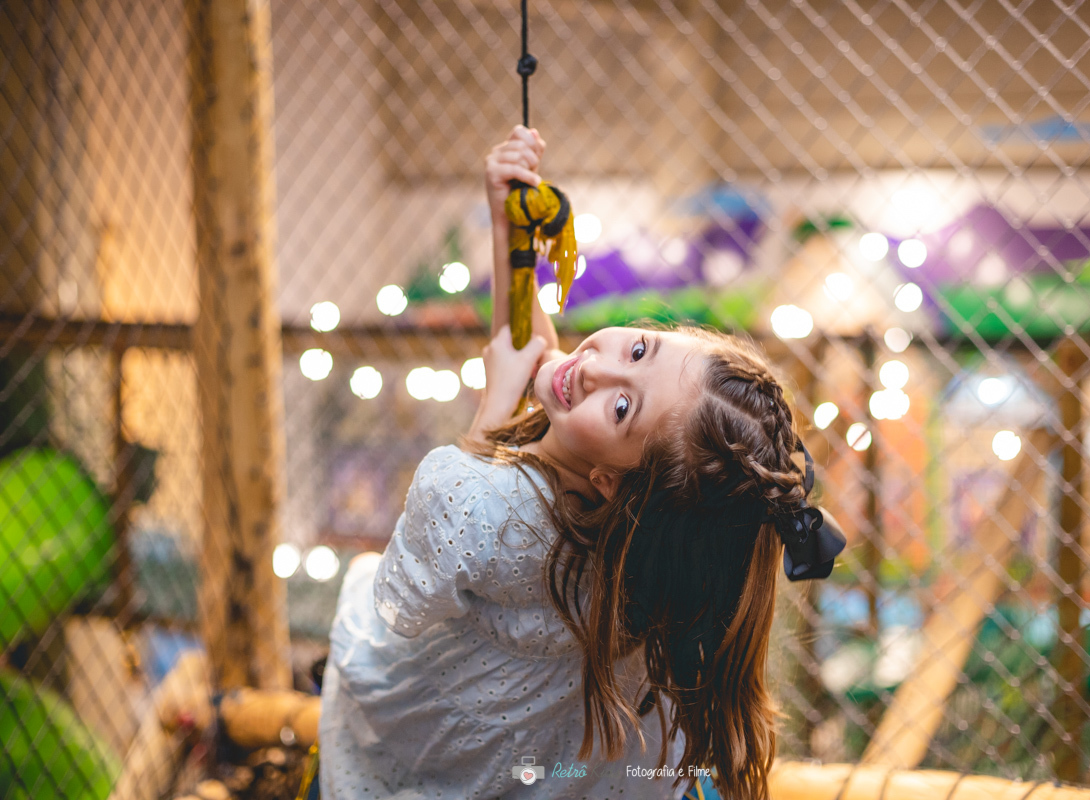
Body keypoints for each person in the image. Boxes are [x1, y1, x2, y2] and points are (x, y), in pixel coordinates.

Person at [318, 126, 844, 800]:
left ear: (609, 479)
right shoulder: (646, 544)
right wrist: (512, 238)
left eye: (624, 410)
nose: (593, 369)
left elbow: (403, 600)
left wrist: (496, 398)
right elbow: (537, 347)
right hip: (556, 766)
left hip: (439, 755)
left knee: (362, 593)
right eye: (640, 352)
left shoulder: (466, 496)